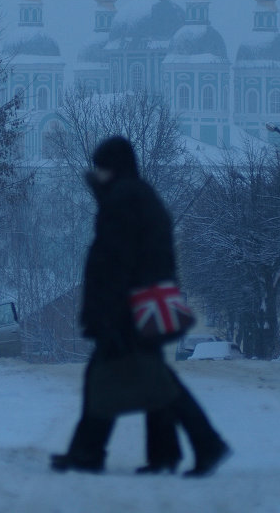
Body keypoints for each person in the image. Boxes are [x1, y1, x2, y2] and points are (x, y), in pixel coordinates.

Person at [50, 135, 230, 476]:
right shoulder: (138, 195)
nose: (97, 174)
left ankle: (204, 444)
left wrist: (106, 314)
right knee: (145, 380)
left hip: (127, 309)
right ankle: (162, 454)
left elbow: (115, 263)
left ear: (113, 168)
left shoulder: (123, 200)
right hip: (143, 305)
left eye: (101, 168)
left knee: (128, 379)